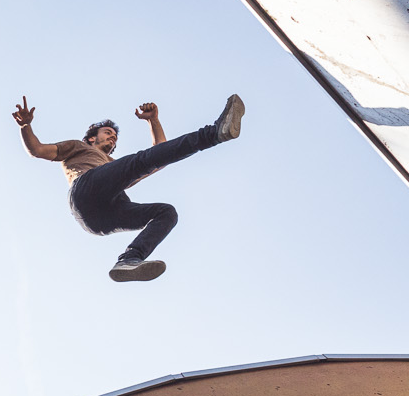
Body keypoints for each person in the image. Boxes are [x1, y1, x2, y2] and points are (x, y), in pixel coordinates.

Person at [13, 94, 244, 282]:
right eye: (107, 134)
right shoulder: (77, 147)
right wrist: (25, 126)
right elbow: (37, 150)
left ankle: (129, 259)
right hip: (85, 191)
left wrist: (153, 121)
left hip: (100, 219)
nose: (112, 139)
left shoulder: (113, 167)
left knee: (166, 212)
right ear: (92, 139)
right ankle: (214, 133)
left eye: (114, 137)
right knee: (140, 160)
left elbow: (159, 155)